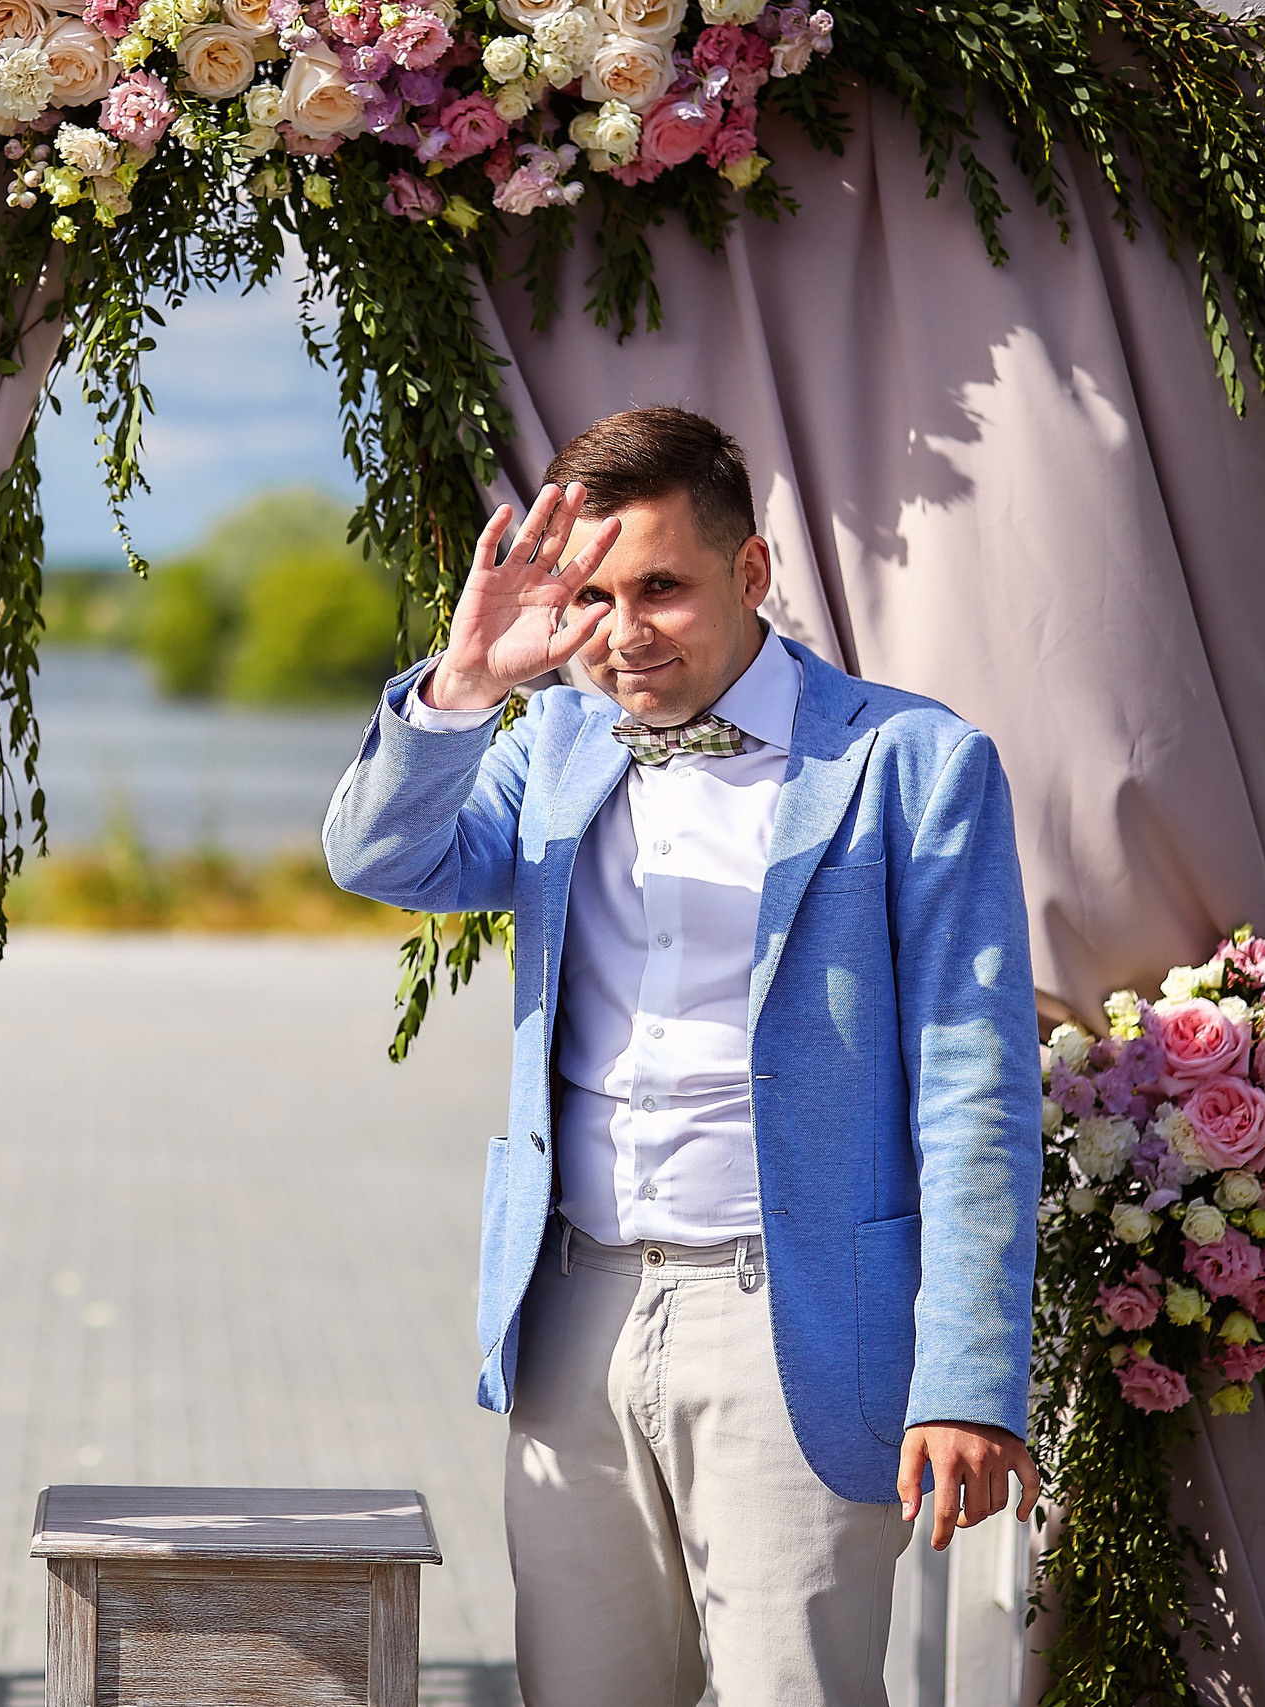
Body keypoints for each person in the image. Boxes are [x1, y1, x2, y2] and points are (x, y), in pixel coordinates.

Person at [323, 407, 1044, 1707]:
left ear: (751, 571)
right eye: (592, 597)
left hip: (795, 1323)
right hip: (572, 1314)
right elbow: (380, 856)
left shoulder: (912, 764)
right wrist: (466, 683)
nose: (623, 631)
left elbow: (975, 1092)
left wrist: (967, 1378)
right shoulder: (556, 740)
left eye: (661, 587)